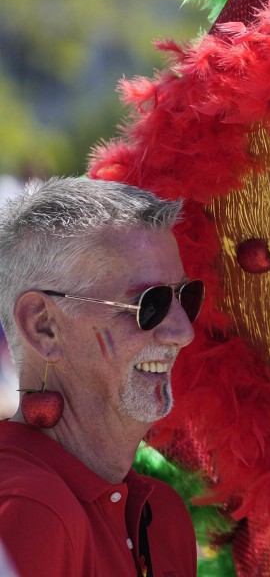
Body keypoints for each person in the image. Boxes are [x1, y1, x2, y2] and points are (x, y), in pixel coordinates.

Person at [0, 177, 203, 577]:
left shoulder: (164, 514)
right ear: (43, 327)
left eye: (186, 296)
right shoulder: (27, 507)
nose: (183, 332)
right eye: (150, 303)